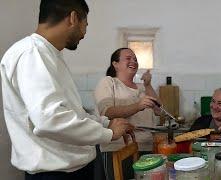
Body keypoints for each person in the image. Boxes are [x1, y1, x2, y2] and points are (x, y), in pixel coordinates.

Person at [0, 1, 133, 180]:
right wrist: (108, 134)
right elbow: (50, 119)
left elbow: (70, 112)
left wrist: (104, 123)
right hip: (54, 174)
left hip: (71, 169)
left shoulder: (49, 54)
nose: (84, 33)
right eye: (85, 25)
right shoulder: (32, 53)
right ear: (72, 18)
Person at [94, 48, 161, 179]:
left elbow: (159, 110)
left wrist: (148, 85)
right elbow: (107, 112)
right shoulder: (109, 82)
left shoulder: (142, 87)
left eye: (135, 59)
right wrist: (138, 106)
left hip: (146, 148)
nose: (133, 61)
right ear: (115, 64)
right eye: (128, 58)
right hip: (118, 149)